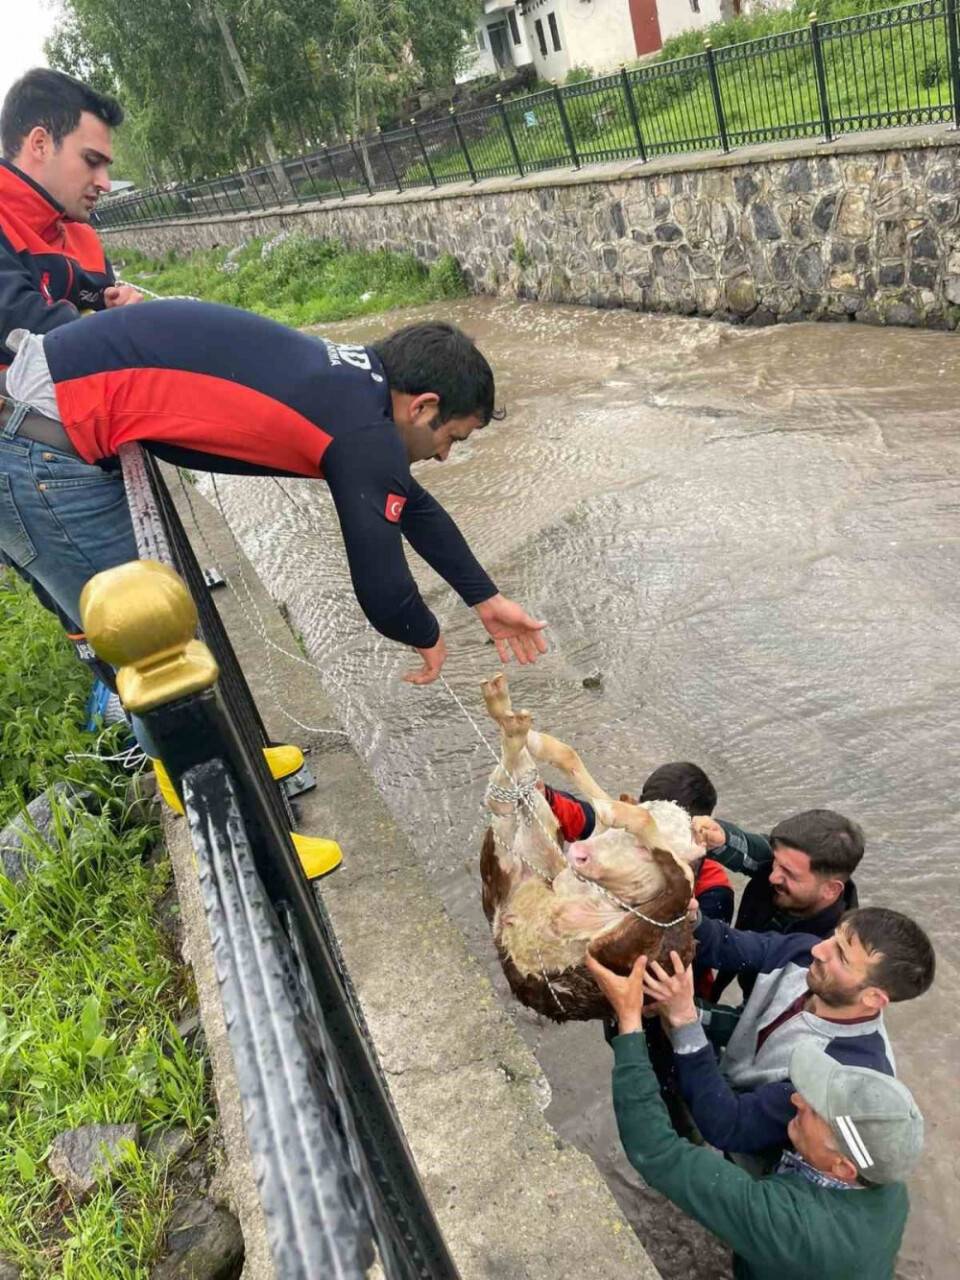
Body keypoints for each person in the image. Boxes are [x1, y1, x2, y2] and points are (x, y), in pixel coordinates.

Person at [0, 301, 547, 686]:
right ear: (423, 406)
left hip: (41, 408)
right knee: (153, 657)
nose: (445, 456)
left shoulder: (356, 384)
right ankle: (218, 823)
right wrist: (425, 634)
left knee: (169, 651)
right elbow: (383, 592)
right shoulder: (367, 433)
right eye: (451, 438)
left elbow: (413, 505)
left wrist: (484, 598)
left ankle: (230, 781)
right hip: (44, 443)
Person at [587, 946, 923, 1280]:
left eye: (816, 1110)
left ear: (843, 1167)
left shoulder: (784, 1223)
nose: (797, 1101)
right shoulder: (887, 1182)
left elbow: (657, 1152)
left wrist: (629, 1023)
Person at [642, 906, 934, 1163]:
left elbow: (730, 1126)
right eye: (833, 936)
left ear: (873, 998)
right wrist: (690, 916)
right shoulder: (804, 954)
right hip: (731, 1083)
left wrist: (684, 1021)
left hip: (759, 1151)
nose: (819, 950)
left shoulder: (847, 1075)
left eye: (841, 957)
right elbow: (726, 945)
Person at [1, 67, 142, 369]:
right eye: (92, 161)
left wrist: (119, 306)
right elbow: (25, 331)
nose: (105, 183)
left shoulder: (83, 234)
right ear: (40, 144)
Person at [694, 808, 863, 1002]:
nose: (773, 876)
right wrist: (722, 837)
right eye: (776, 861)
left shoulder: (827, 958)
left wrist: (692, 1014)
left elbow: (766, 1025)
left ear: (831, 889)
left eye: (788, 873)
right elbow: (758, 850)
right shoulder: (790, 865)